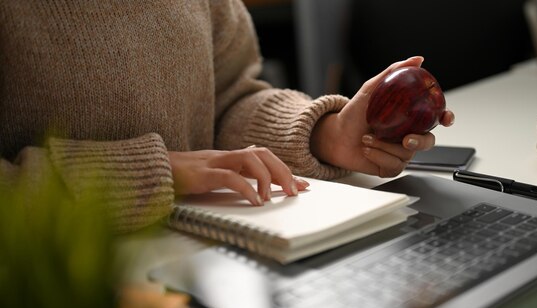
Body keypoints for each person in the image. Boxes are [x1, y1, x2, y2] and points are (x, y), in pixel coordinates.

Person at [0, 0, 454, 234]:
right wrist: (155, 173)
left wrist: (323, 135)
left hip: (205, 260)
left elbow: (230, 96)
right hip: (56, 296)